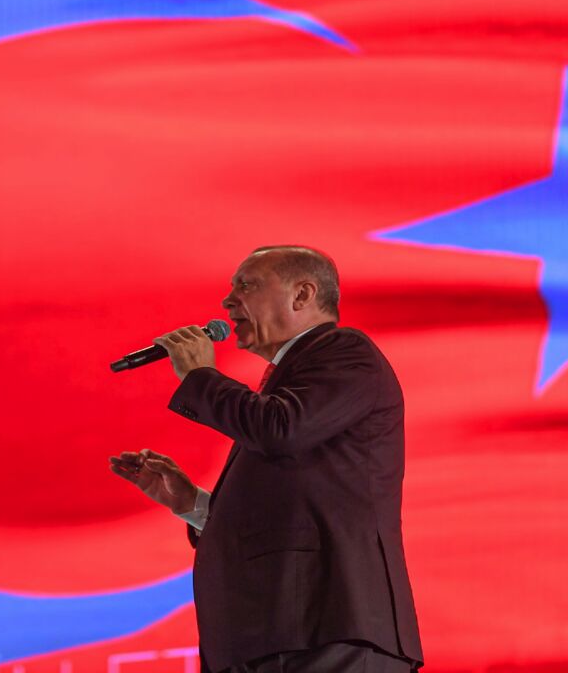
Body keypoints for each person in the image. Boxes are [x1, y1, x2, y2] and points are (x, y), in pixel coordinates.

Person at [109, 245, 424, 673]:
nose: (227, 301)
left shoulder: (344, 351)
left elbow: (279, 429)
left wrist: (201, 377)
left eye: (246, 284)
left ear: (302, 295)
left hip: (328, 628)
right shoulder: (288, 380)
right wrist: (193, 505)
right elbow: (289, 498)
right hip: (273, 635)